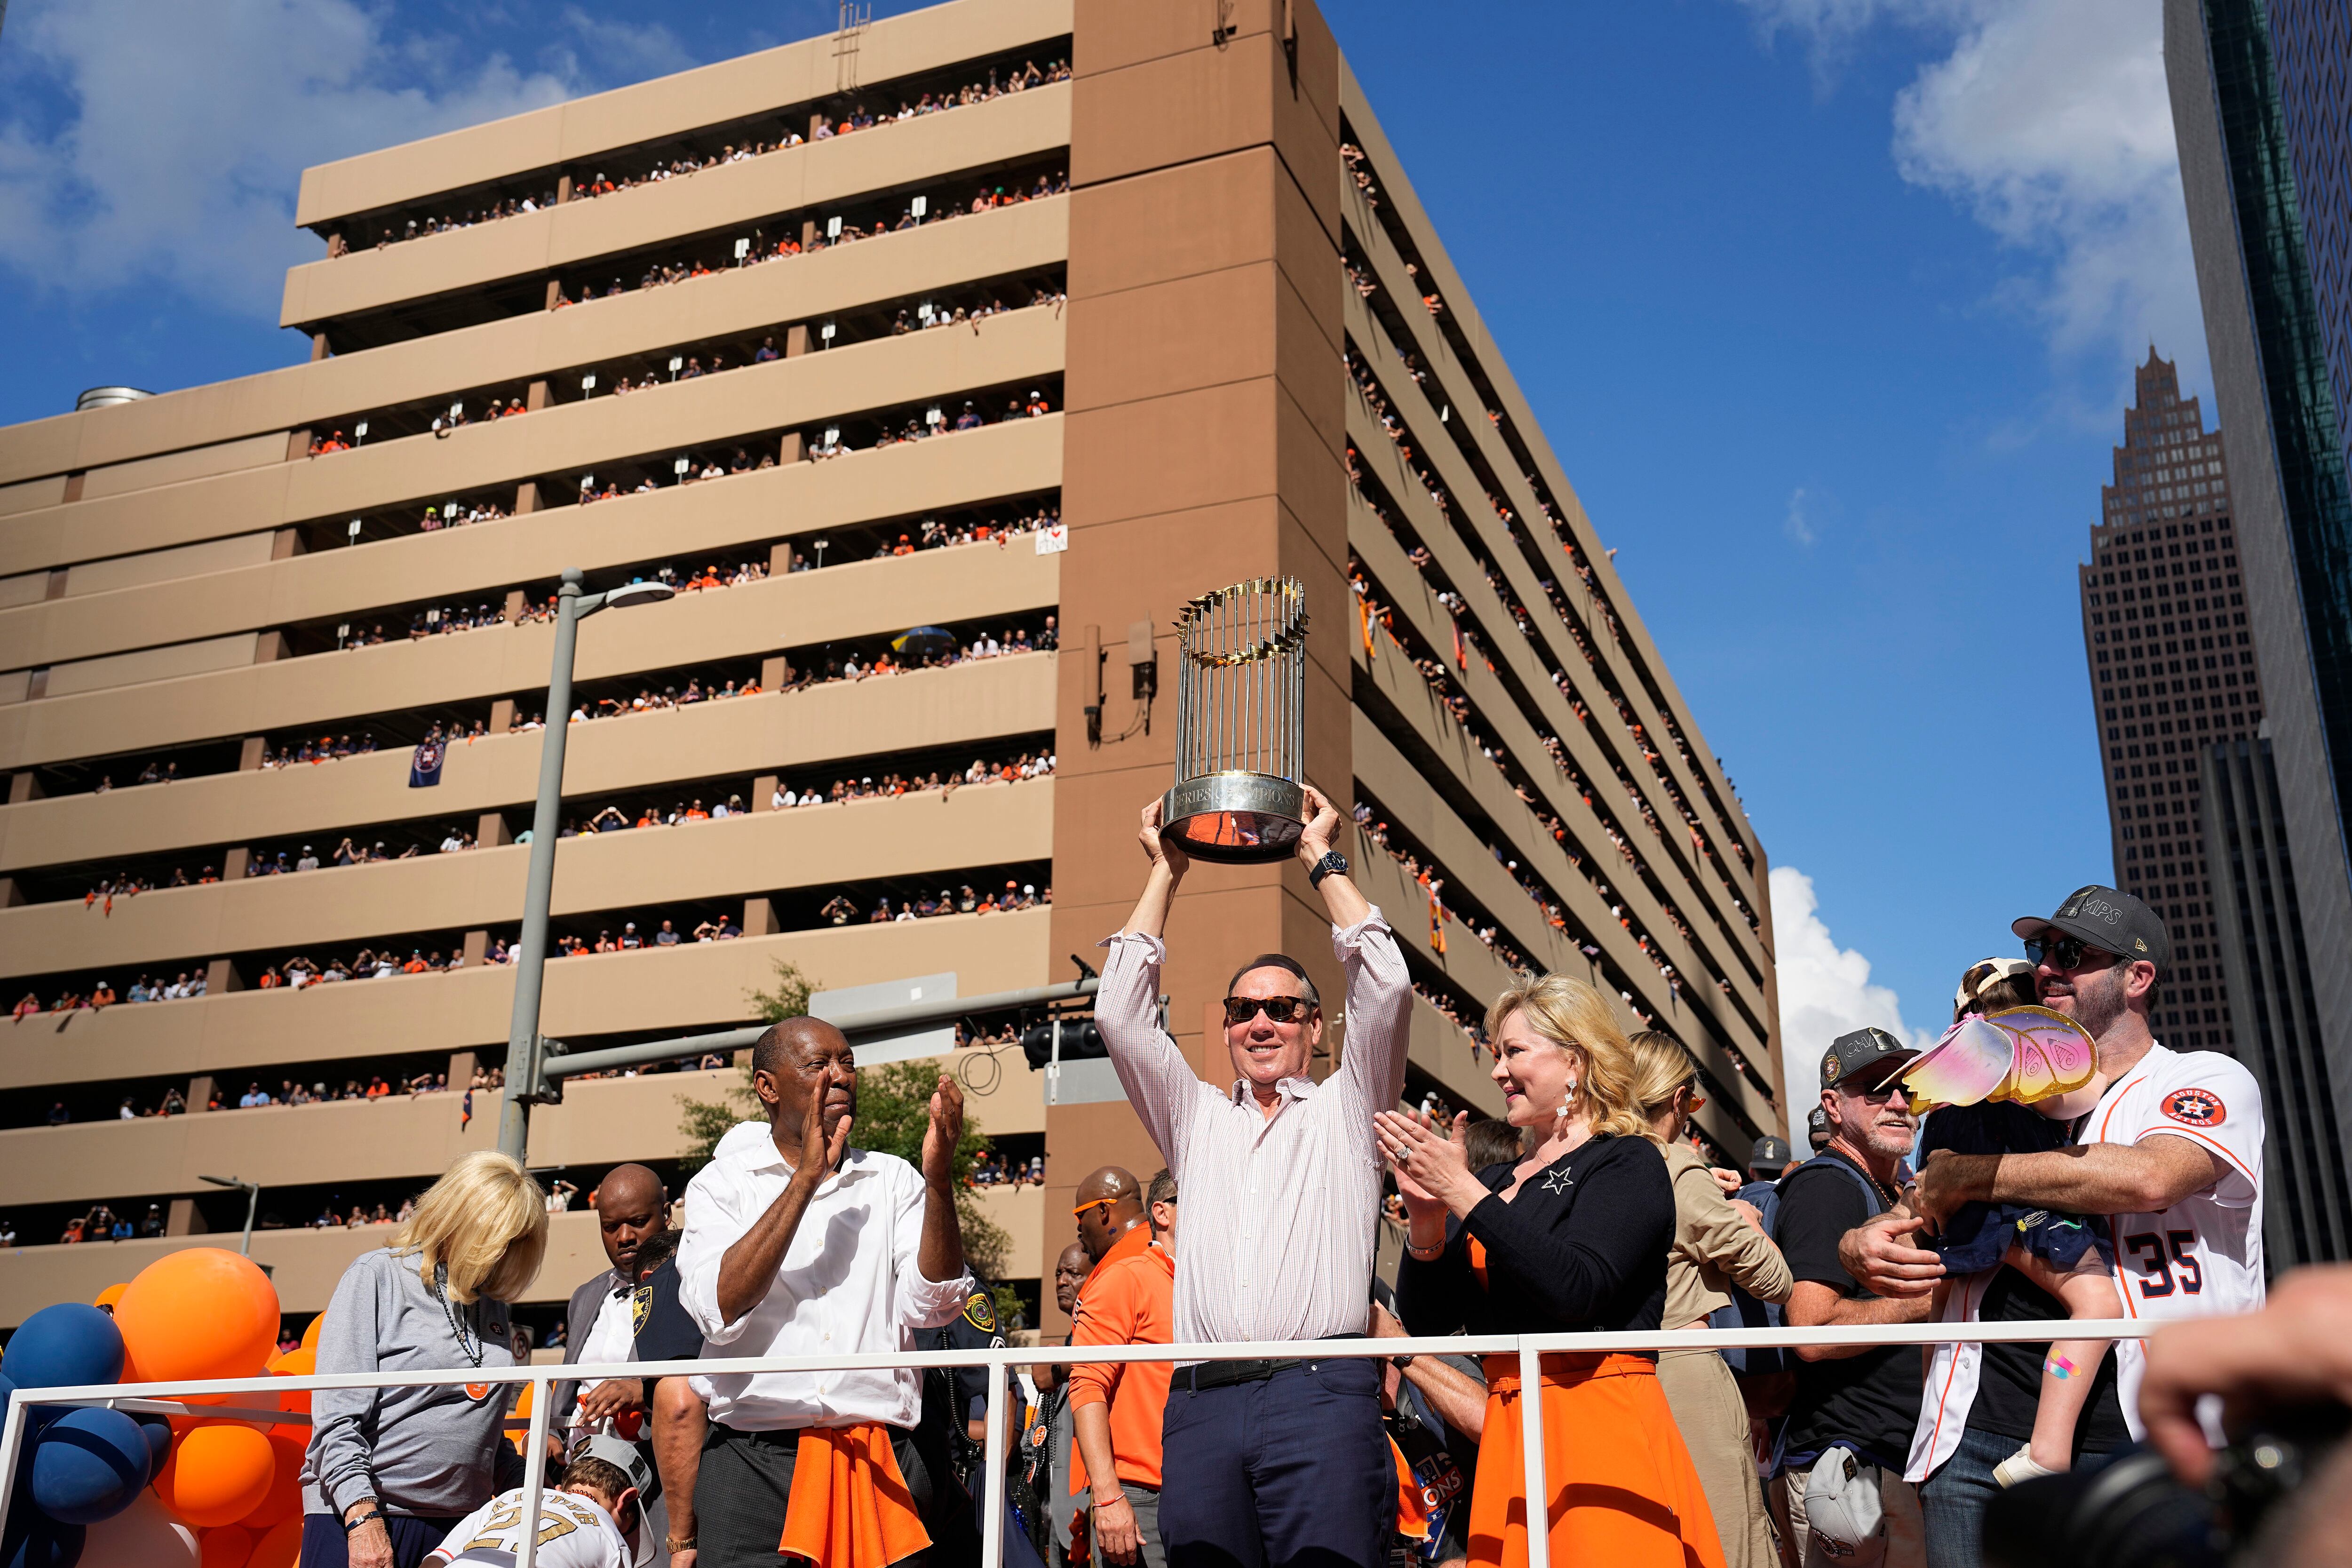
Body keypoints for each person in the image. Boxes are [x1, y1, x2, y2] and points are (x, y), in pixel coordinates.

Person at [1840, 886, 2265, 1568]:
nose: (2046, 967)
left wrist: (1975, 1176)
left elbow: (2149, 1178)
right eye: (2041, 950)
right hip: (1977, 1438)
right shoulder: (2005, 1092)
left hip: (2158, 1438)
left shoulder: (2203, 1078)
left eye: (2072, 952)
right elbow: (1939, 1188)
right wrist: (1868, 1234)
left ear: (2138, 976)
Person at [1095, 788, 1410, 1568]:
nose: (1260, 1022)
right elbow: (1120, 1018)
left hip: (1323, 1394)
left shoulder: (1351, 1104)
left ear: (1313, 1026)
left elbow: (1389, 986)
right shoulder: (1196, 1118)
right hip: (1202, 1401)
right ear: (1227, 1026)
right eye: (1243, 1009)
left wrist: (1317, 855)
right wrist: (1165, 873)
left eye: (1281, 1007)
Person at [1382, 973, 1724, 1568]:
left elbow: (1577, 1290)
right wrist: (1427, 1221)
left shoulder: (1628, 1159)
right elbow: (1430, 1323)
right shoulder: (1490, 1183)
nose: (1496, 1071)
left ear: (1576, 1060)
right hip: (1510, 1426)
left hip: (1598, 1419)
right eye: (1495, 1055)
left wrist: (1463, 1192)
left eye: (1513, 1052)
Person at [674, 1016, 978, 1568]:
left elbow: (934, 1306)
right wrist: (805, 1180)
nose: (840, 1076)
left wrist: (938, 1182)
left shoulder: (895, 1180)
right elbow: (717, 1308)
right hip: (752, 1464)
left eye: (848, 1064)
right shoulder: (721, 1186)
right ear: (767, 1086)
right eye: (819, 1065)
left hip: (880, 1457)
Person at [1899, 959, 2121, 1490]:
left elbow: (1929, 1180)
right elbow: (2088, 1091)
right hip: (2021, 1213)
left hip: (1965, 1220)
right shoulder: (2034, 1088)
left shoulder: (1949, 1097)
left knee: (1942, 1304)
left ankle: (1930, 1427)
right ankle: (2048, 1446)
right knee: (2098, 1306)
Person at [304, 1151, 548, 1568]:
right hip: (367, 1516)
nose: (506, 1254)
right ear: (458, 1220)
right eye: (501, 1239)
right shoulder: (376, 1275)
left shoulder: (492, 1306)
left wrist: (534, 1486)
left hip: (459, 1527)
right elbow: (336, 1418)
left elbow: (479, 1426)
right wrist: (362, 1517)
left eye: (517, 1242)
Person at [1628, 1031, 1793, 1568]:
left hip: (1610, 1377)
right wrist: (1744, 1219)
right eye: (1693, 1102)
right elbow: (1774, 1280)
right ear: (1676, 1098)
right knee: (1730, 1540)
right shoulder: (1674, 1162)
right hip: (1683, 1370)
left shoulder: (1592, 1161)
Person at [1770, 1028, 1926, 1568]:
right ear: (1832, 1105)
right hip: (1851, 1467)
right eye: (1876, 1090)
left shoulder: (1887, 1187)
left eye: (1907, 1088)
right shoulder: (1826, 1186)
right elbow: (1810, 1334)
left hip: (1887, 1461)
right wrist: (1927, 1306)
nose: (1899, 1103)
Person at [1067, 1168, 1174, 1568]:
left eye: (1081, 1216)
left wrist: (1109, 1493)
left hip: (1147, 1485)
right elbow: (1089, 1379)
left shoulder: (1125, 1268)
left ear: (1105, 1211)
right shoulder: (1135, 1266)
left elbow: (1085, 1379)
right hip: (1139, 1486)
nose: (1079, 1229)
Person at [553, 1164, 670, 1492]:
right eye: (610, 1226)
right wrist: (551, 1432)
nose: (624, 1237)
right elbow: (568, 1380)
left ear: (666, 1214)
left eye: (637, 1222)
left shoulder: (689, 1285)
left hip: (653, 1472)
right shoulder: (586, 1295)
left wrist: (642, 1392)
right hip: (580, 1474)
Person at [422, 1449, 644, 1568]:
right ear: (625, 1501)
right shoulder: (611, 1536)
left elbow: (439, 1558)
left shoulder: (512, 1497)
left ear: (560, 1489)